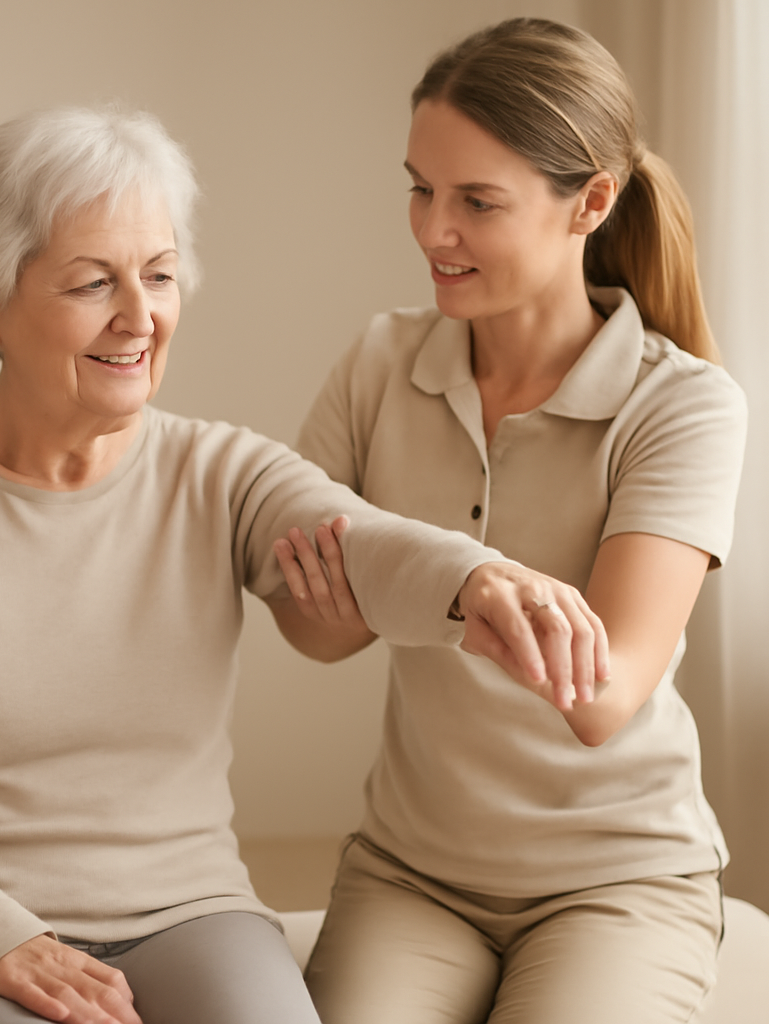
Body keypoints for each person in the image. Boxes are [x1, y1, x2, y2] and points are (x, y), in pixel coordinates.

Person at [0, 107, 604, 1024]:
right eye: (94, 283)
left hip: (183, 914)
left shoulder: (219, 471)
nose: (140, 317)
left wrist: (477, 579)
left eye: (161, 276)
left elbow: (354, 536)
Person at [270, 18, 747, 1024]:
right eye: (420, 188)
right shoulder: (378, 360)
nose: (431, 230)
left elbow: (602, 693)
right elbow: (312, 626)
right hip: (414, 871)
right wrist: (451, 591)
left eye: (476, 202)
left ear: (592, 203)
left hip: (616, 881)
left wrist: (413, 578)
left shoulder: (683, 403)